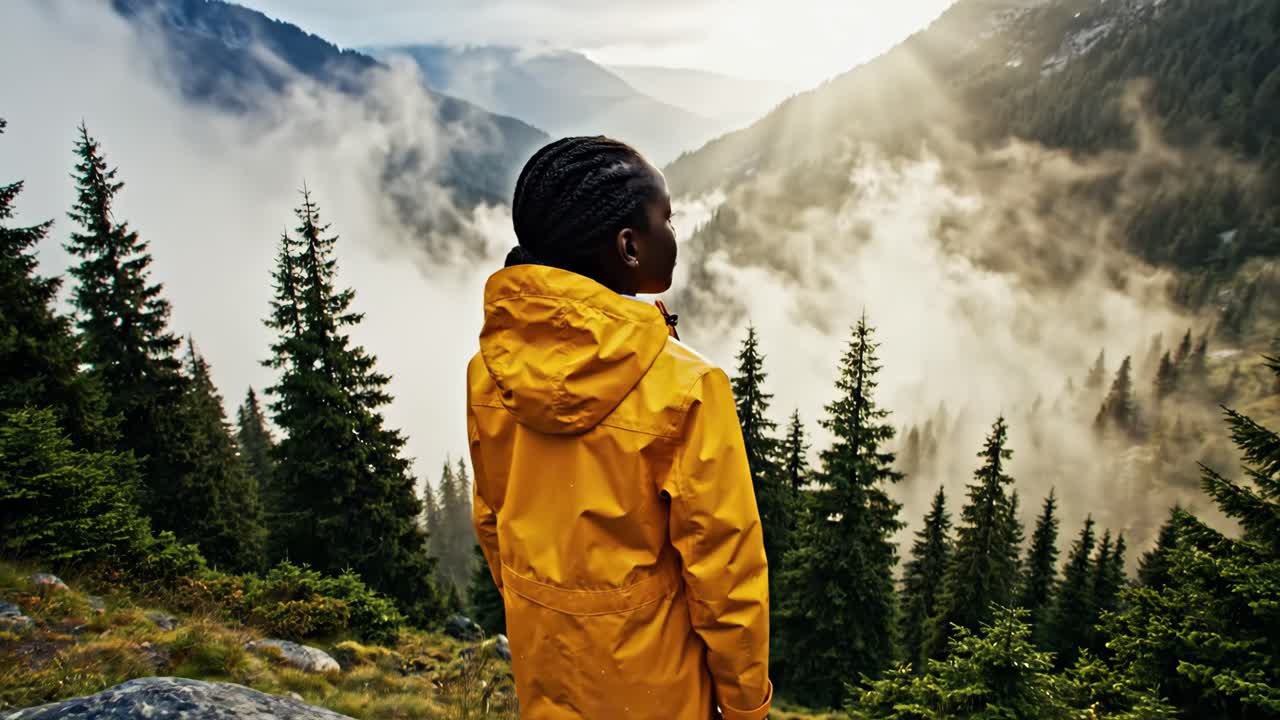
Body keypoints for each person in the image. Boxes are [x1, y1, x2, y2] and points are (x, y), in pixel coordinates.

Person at [466, 136, 773, 719]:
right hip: (660, 694)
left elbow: (493, 521)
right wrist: (745, 707)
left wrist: (550, 616)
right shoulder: (686, 387)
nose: (675, 237)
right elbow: (725, 578)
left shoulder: (488, 373)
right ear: (629, 246)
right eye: (668, 220)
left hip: (547, 675)